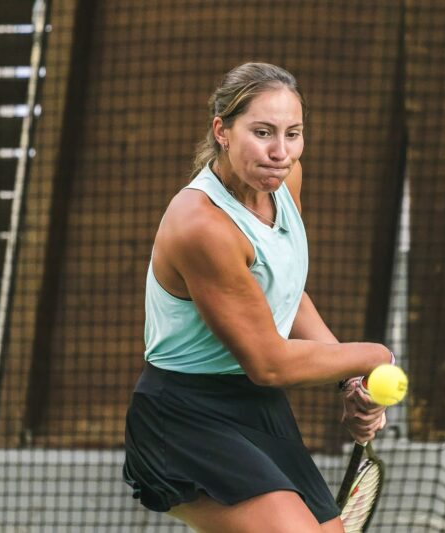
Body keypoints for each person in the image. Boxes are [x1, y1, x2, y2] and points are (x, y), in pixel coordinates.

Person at [123, 62, 392, 533]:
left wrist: (350, 380)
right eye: (263, 132)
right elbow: (269, 363)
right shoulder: (201, 225)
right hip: (184, 416)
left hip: (258, 410)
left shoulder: (286, 183)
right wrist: (375, 355)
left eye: (293, 134)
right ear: (222, 131)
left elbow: (284, 293)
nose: (280, 152)